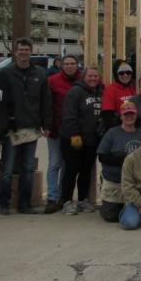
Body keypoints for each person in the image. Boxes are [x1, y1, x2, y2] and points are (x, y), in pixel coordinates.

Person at [0, 38, 52, 216]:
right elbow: (0, 102)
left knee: (28, 169)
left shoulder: (40, 73)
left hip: (31, 128)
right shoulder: (4, 74)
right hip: (11, 129)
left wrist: (47, 124)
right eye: (20, 49)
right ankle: (3, 204)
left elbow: (46, 101)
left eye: (26, 50)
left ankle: (24, 204)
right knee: (6, 169)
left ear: (31, 52)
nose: (23, 52)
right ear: (15, 52)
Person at [59, 65, 104, 215]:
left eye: (95, 76)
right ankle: (66, 201)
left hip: (91, 140)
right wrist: (74, 135)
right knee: (71, 171)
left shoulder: (100, 92)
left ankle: (82, 200)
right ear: (84, 77)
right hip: (73, 140)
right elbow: (69, 116)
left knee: (86, 172)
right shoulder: (75, 92)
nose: (93, 79)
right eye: (90, 76)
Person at [45, 55, 81, 213]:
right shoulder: (52, 81)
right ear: (61, 65)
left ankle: (62, 196)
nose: (69, 66)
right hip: (55, 128)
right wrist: (46, 125)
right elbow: (46, 103)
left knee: (67, 164)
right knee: (54, 163)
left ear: (77, 65)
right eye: (67, 64)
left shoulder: (83, 80)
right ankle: (52, 198)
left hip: (72, 131)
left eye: (73, 64)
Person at [97, 100, 141, 222]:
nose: (129, 117)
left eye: (132, 114)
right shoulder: (112, 133)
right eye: (126, 114)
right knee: (111, 217)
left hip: (135, 182)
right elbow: (101, 156)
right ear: (121, 116)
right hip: (114, 180)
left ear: (136, 115)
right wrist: (124, 161)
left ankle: (130, 207)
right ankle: (110, 205)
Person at [101, 59, 136, 130]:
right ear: (116, 74)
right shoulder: (111, 89)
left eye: (128, 72)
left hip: (134, 128)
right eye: (122, 73)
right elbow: (108, 117)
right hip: (118, 129)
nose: (125, 75)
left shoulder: (134, 87)